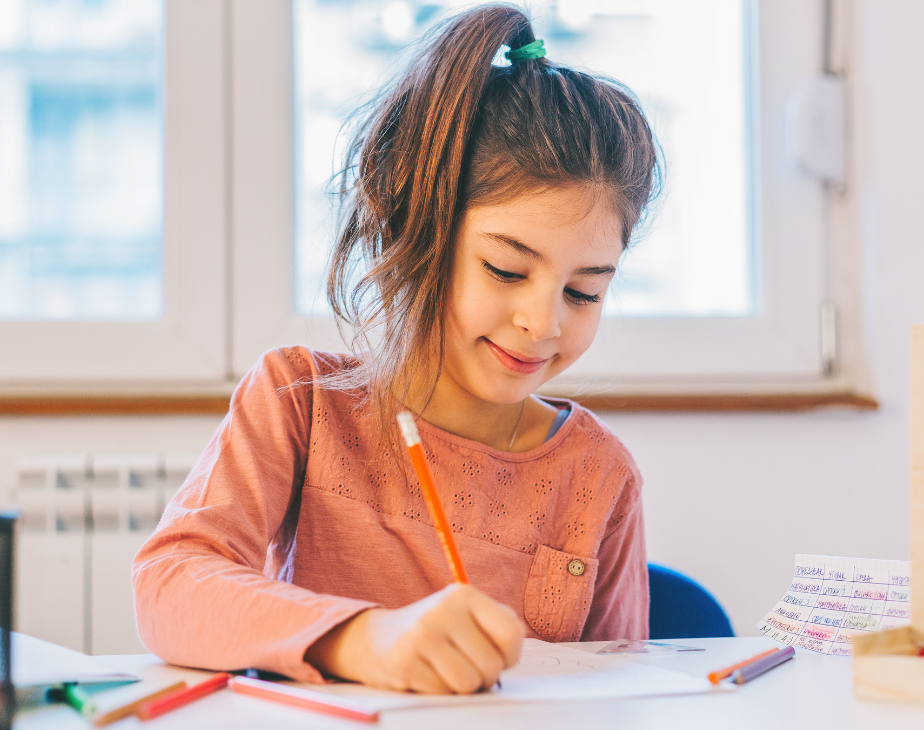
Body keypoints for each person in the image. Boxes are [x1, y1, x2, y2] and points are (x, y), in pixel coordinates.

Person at [133, 3, 660, 695]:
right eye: (505, 270)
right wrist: (364, 638)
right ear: (415, 231)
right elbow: (171, 584)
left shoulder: (599, 476)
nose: (544, 322)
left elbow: (623, 704)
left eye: (585, 292)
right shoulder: (299, 404)